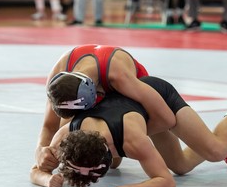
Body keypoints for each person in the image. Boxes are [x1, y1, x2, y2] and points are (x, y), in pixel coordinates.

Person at [30, 76, 227, 187]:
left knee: (216, 151)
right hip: (129, 117)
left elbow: (166, 183)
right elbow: (36, 170)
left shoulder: (133, 141)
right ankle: (216, 141)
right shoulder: (65, 137)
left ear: (111, 151)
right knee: (182, 166)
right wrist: (47, 179)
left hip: (157, 102)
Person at [35, 44, 176, 174]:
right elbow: (49, 125)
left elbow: (166, 118)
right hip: (94, 90)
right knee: (73, 141)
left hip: (130, 94)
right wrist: (40, 151)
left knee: (178, 165)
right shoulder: (59, 80)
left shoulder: (119, 75)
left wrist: (126, 136)